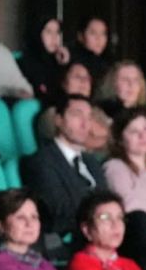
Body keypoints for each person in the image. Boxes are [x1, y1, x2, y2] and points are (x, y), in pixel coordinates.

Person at [21, 93, 105, 241]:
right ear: (58, 120)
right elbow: (59, 210)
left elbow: (107, 199)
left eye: (89, 117)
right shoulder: (41, 161)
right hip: (72, 237)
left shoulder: (91, 162)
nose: (85, 124)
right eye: (77, 115)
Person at [19, 15, 71, 98]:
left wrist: (65, 65)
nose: (54, 37)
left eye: (57, 32)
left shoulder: (60, 61)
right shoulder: (26, 63)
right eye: (49, 32)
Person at [68, 15, 111, 82]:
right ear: (80, 36)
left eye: (103, 33)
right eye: (93, 33)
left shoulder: (108, 63)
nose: (99, 38)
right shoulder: (71, 61)